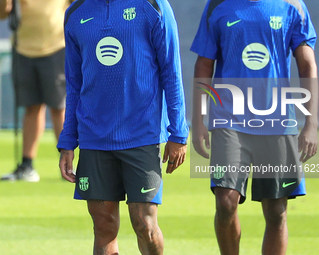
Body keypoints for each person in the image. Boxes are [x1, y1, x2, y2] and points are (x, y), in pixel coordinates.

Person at [57, 0, 188, 254]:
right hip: (94, 138)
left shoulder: (154, 5)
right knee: (103, 226)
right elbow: (74, 83)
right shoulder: (75, 12)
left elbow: (171, 70)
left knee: (145, 224)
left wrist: (178, 132)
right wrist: (68, 140)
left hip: (142, 135)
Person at [191, 0, 318, 254]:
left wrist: (311, 123)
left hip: (277, 121)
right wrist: (198, 121)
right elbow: (204, 65)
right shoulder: (218, 5)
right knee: (226, 202)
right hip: (229, 120)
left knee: (276, 211)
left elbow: (307, 65)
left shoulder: (293, 5)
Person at [0, 0, 73, 182]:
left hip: (57, 46)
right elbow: (3, 14)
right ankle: (27, 166)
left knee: (59, 107)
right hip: (23, 48)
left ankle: (68, 165)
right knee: (31, 107)